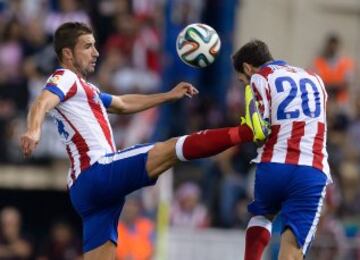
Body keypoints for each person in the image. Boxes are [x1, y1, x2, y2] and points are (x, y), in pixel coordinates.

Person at [20, 22, 267, 260]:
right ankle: (246, 132)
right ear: (67, 53)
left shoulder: (86, 89)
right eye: (87, 46)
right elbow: (42, 101)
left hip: (89, 191)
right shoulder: (64, 77)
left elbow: (123, 104)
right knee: (171, 148)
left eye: (95, 45)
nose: (96, 52)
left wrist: (168, 96)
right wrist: (33, 130)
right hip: (97, 172)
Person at [232, 40, 331, 260]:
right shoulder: (315, 77)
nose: (244, 84)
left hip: (274, 165)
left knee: (262, 215)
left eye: (242, 80)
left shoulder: (259, 77)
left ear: (248, 68)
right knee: (292, 251)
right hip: (311, 171)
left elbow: (260, 128)